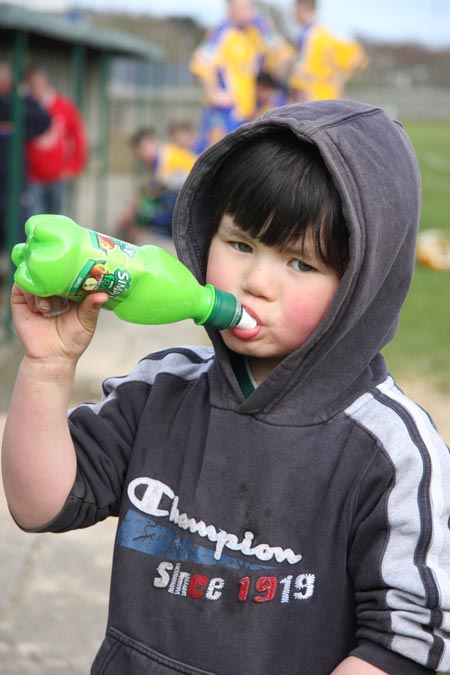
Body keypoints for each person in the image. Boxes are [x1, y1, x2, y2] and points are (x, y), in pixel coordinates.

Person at [2, 99, 450, 675]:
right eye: (240, 244)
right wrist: (46, 366)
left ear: (363, 286)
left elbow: (408, 640)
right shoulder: (161, 389)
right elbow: (39, 505)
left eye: (301, 264)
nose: (257, 281)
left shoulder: (391, 452)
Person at [190, 0, 294, 150]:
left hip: (249, 113)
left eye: (251, 6)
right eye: (244, 7)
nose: (249, 11)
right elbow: (201, 62)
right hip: (225, 113)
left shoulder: (257, 32)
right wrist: (213, 93)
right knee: (219, 160)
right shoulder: (221, 33)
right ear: (230, 8)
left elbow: (283, 55)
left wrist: (266, 28)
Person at [0, 61, 50, 253]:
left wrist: (23, 95)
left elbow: (43, 120)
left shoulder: (16, 104)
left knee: (18, 237)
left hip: (14, 186)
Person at [24, 66, 88, 216]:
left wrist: (75, 165)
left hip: (58, 174)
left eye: (39, 84)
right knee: (36, 217)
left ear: (46, 83)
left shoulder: (63, 105)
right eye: (32, 85)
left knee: (57, 217)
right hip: (33, 176)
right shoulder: (26, 106)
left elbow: (78, 135)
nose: (36, 88)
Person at [118, 126, 197, 241]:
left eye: (143, 149)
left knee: (145, 210)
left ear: (153, 142)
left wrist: (134, 209)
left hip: (192, 200)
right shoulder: (163, 155)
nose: (142, 155)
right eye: (139, 151)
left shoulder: (166, 156)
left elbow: (156, 188)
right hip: (184, 195)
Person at [289, 0, 368, 102]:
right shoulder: (315, 34)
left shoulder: (319, 37)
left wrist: (340, 78)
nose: (293, 14)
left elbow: (359, 58)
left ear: (302, 8)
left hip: (315, 100)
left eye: (294, 10)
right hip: (323, 101)